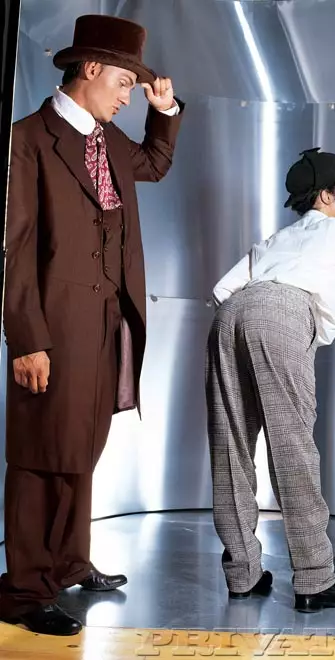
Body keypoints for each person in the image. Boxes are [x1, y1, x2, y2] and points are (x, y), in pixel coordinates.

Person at [0, 14, 184, 635]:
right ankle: (25, 589)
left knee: (82, 443)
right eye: (125, 83)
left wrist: (164, 109)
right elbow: (15, 247)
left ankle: (70, 562)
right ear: (92, 69)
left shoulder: (108, 141)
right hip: (53, 323)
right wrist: (27, 339)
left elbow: (154, 164)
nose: (129, 96)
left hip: (109, 318)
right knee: (39, 452)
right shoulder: (27, 139)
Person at [205, 147, 335, 613]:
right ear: (324, 196)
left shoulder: (278, 238)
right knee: (292, 446)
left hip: (231, 315)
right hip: (282, 314)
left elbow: (222, 290)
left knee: (230, 444)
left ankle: (243, 575)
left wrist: (250, 317)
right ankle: (314, 581)